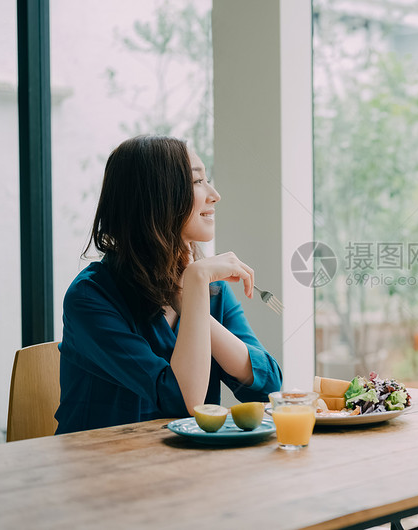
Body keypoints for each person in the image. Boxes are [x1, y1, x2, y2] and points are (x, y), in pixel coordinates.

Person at [55, 135, 282, 434]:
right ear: (156, 198)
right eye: (197, 182)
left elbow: (266, 386)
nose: (214, 195)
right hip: (102, 470)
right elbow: (181, 400)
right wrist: (196, 283)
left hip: (183, 466)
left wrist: (191, 299)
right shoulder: (91, 296)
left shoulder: (207, 291)